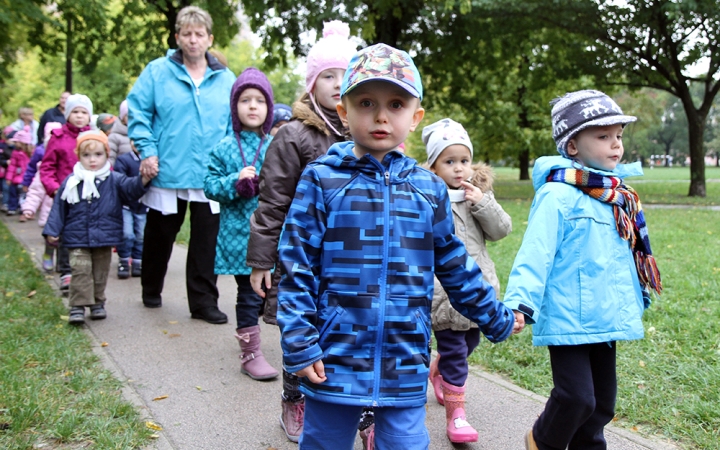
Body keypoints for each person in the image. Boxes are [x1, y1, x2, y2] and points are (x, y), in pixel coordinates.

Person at [277, 43, 525, 450]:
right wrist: (300, 342)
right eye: (366, 103)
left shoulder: (428, 189)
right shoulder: (321, 180)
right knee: (323, 443)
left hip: (404, 360)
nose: (380, 115)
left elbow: (456, 267)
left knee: (407, 444)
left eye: (395, 104)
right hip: (334, 358)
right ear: (344, 111)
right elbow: (295, 265)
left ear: (415, 117)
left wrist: (495, 317)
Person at [502, 90, 662, 450]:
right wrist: (520, 304)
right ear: (572, 145)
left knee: (601, 407)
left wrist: (634, 297)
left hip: (605, 315)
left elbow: (621, 257)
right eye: (603, 137)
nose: (615, 145)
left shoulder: (617, 195)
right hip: (568, 315)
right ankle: (541, 441)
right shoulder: (558, 195)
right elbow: (536, 252)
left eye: (618, 136)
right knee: (576, 398)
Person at [246, 20, 356, 443]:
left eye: (344, 75)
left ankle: (354, 411)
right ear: (312, 83)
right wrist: (261, 259)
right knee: (300, 331)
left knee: (344, 334)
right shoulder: (294, 135)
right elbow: (272, 202)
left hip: (349, 258)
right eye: (327, 75)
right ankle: (294, 401)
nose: (336, 83)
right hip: (302, 258)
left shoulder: (366, 134)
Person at [128, 5, 235, 324]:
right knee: (160, 234)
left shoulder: (225, 78)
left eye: (199, 34)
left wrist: (229, 161)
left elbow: (234, 124)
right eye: (186, 34)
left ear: (209, 38)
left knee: (206, 240)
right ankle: (151, 288)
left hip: (209, 173)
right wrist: (147, 151)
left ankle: (203, 302)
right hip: (167, 168)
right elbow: (138, 112)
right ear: (177, 37)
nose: (192, 40)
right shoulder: (157, 71)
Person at [421, 118, 513, 443]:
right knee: (456, 352)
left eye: (464, 160)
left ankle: (438, 370)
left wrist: (483, 203)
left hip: (478, 292)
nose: (459, 169)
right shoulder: (428, 198)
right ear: (434, 166)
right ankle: (456, 416)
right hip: (442, 293)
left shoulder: (476, 196)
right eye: (449, 162)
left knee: (469, 344)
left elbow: (502, 230)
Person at [204, 68, 279, 380]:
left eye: (259, 100)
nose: (252, 106)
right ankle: (250, 353)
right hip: (238, 236)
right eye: (245, 100)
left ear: (268, 108)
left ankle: (282, 343)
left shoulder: (276, 145)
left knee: (274, 293)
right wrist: (235, 181)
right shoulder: (223, 147)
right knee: (248, 294)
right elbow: (209, 184)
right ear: (234, 107)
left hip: (272, 233)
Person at [43, 131, 153, 324]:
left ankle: (97, 303)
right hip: (77, 238)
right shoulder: (71, 182)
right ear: (78, 156)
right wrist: (53, 230)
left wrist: (143, 179)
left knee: (99, 273)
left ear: (106, 154)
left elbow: (131, 189)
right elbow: (59, 208)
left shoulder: (114, 179)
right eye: (86, 155)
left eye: (98, 155)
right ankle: (77, 306)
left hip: (105, 237)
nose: (92, 160)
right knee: (80, 271)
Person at [40, 94, 94, 292]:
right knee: (65, 233)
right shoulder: (58, 137)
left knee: (85, 234)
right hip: (65, 194)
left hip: (90, 195)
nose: (80, 116)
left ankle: (86, 272)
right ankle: (66, 272)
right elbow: (47, 167)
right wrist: (54, 188)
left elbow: (106, 164)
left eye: (84, 112)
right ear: (67, 114)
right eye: (75, 112)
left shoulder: (94, 138)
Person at [114, 140, 149, 279]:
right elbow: (120, 181)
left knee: (141, 235)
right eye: (135, 140)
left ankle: (137, 261)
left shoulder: (152, 160)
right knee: (127, 233)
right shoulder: (124, 160)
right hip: (127, 204)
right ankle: (123, 259)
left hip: (144, 205)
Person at [5, 126, 34, 215]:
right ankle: (12, 207)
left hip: (27, 179)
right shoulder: (15, 153)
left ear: (22, 143)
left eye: (16, 142)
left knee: (25, 195)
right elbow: (12, 166)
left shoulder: (32, 153)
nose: (14, 143)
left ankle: (24, 208)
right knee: (13, 193)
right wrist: (9, 178)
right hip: (16, 178)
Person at [108, 100, 131, 166]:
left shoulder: (145, 134)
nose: (133, 118)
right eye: (129, 115)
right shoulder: (114, 137)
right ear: (123, 118)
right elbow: (110, 160)